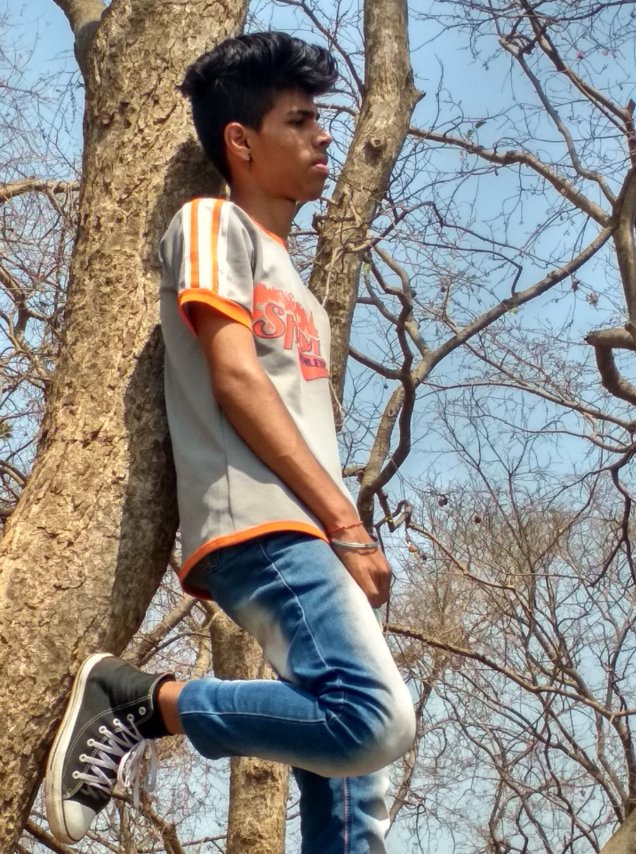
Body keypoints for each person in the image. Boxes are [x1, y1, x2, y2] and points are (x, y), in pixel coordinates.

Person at [45, 31, 416, 853]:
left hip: (313, 538)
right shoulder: (213, 224)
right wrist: (347, 525)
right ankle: (140, 701)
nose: (325, 134)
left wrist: (341, 534)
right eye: (301, 120)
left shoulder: (304, 296)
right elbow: (236, 379)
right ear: (241, 143)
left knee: (356, 795)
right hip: (264, 527)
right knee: (375, 720)